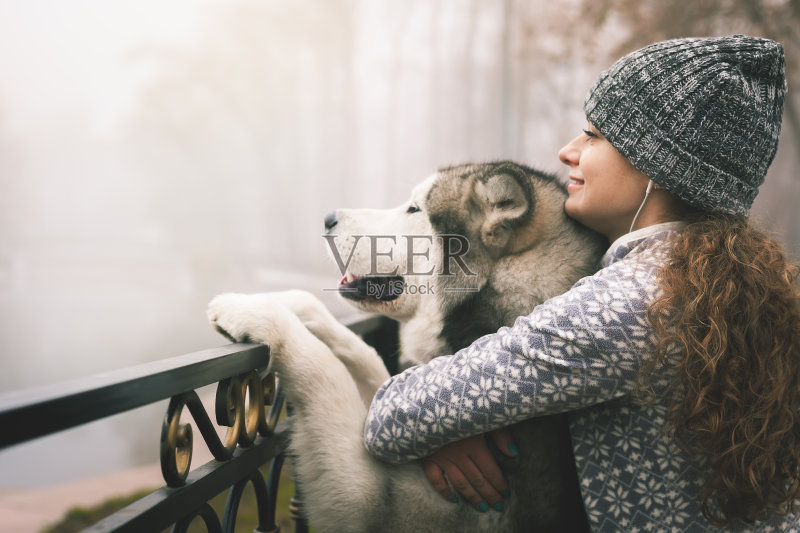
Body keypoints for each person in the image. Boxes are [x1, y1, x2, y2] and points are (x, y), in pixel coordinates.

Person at [363, 35, 800, 531]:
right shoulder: (720, 285)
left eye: (593, 136)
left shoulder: (627, 307)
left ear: (656, 163)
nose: (567, 151)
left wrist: (446, 423)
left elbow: (391, 419)